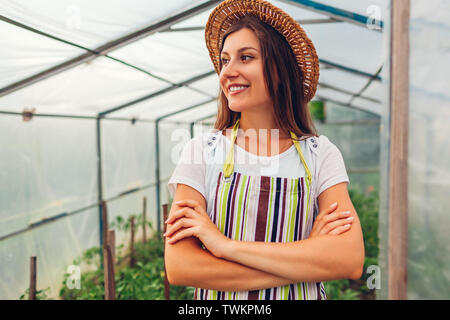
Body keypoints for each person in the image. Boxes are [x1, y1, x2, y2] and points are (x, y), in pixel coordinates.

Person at [164, 0, 364, 300]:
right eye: (225, 60)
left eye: (246, 57)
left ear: (280, 70)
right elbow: (181, 267)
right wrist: (309, 257)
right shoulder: (201, 151)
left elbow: (349, 260)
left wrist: (225, 247)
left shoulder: (320, 154)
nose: (228, 71)